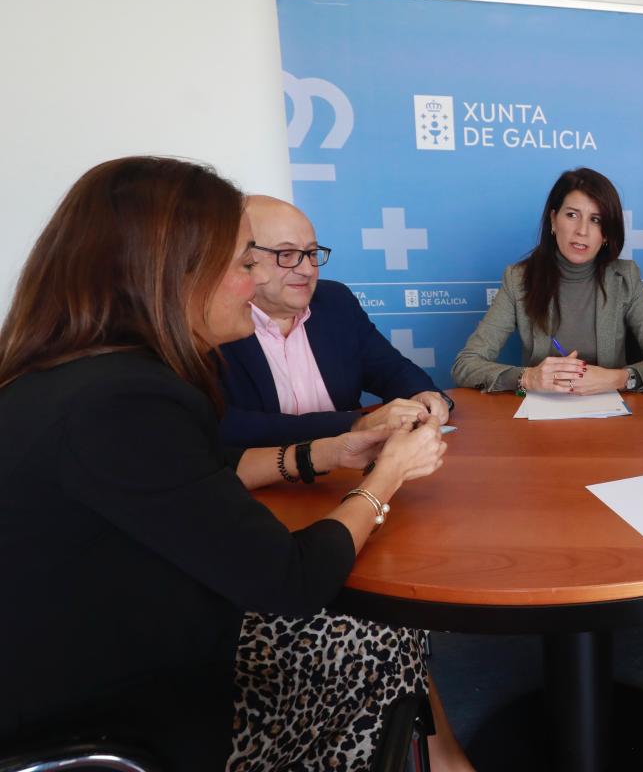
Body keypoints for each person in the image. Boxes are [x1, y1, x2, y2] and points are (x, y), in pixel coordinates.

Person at [0, 157, 473, 772]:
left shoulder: (68, 377)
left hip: (94, 659)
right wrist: (387, 477)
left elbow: (201, 468)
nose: (255, 285)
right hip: (121, 719)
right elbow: (293, 581)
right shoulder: (126, 401)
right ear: (171, 275)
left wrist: (328, 453)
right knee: (376, 630)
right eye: (245, 264)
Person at [218, 195, 452, 447]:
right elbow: (224, 427)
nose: (308, 270)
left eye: (311, 253)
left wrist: (421, 395)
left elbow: (392, 370)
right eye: (286, 255)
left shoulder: (334, 301)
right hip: (262, 470)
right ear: (243, 258)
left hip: (354, 465)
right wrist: (353, 425)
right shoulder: (213, 322)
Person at [451, 167, 643, 394]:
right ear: (553, 220)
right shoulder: (518, 279)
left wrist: (618, 378)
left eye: (596, 220)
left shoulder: (625, 277)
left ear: (606, 234)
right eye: (572, 215)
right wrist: (528, 378)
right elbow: (466, 364)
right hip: (542, 411)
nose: (582, 231)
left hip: (611, 410)